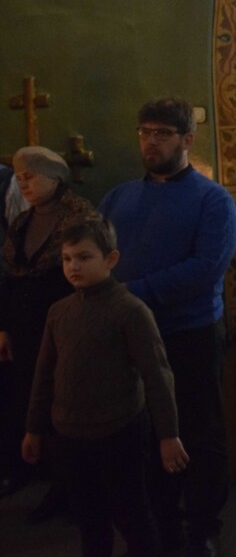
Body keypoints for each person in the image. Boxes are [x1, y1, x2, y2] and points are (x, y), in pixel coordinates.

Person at [98, 98, 236, 556]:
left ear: (186, 140)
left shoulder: (212, 199)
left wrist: (130, 293)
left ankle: (203, 525)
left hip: (190, 333)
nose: (151, 141)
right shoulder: (119, 197)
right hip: (131, 339)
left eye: (162, 133)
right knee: (144, 432)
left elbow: (204, 269)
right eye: (144, 132)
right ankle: (164, 521)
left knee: (199, 431)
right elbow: (100, 258)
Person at [23, 216, 187, 556]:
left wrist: (168, 434)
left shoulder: (129, 311)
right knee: (89, 520)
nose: (73, 267)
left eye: (84, 257)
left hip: (118, 431)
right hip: (69, 434)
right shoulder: (59, 312)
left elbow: (157, 375)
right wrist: (34, 428)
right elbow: (44, 374)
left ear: (110, 259)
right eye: (67, 259)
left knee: (132, 515)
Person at [0, 147, 92, 520]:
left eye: (32, 176)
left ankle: (73, 489)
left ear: (54, 179)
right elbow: (11, 277)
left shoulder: (79, 217)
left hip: (65, 324)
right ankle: (39, 476)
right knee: (29, 399)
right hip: (25, 327)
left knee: (66, 405)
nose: (25, 184)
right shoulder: (22, 223)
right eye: (20, 178)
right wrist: (4, 326)